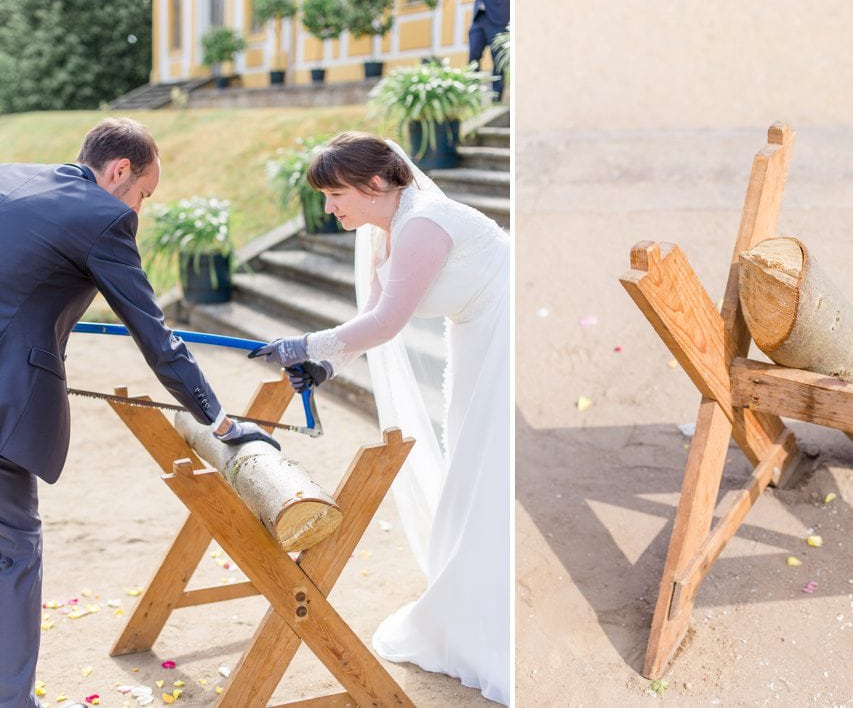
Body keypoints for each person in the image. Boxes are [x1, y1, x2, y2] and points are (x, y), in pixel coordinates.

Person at [0, 117, 277, 708]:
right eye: (144, 194)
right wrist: (220, 420)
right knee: (13, 551)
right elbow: (156, 337)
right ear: (120, 170)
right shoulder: (101, 217)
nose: (140, 210)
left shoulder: (12, 179)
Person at [251, 132, 510, 704]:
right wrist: (323, 368)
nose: (329, 208)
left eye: (335, 194)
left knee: (488, 466)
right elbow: (368, 318)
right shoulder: (384, 230)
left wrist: (301, 345)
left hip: (505, 336)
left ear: (375, 185)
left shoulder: (424, 222)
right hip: (475, 341)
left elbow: (389, 322)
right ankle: (472, 597)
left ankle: (494, 611)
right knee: (474, 462)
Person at [461, 0, 511, 100]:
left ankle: (496, 95)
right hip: (479, 17)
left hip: (498, 16)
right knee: (473, 56)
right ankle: (472, 94)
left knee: (498, 60)